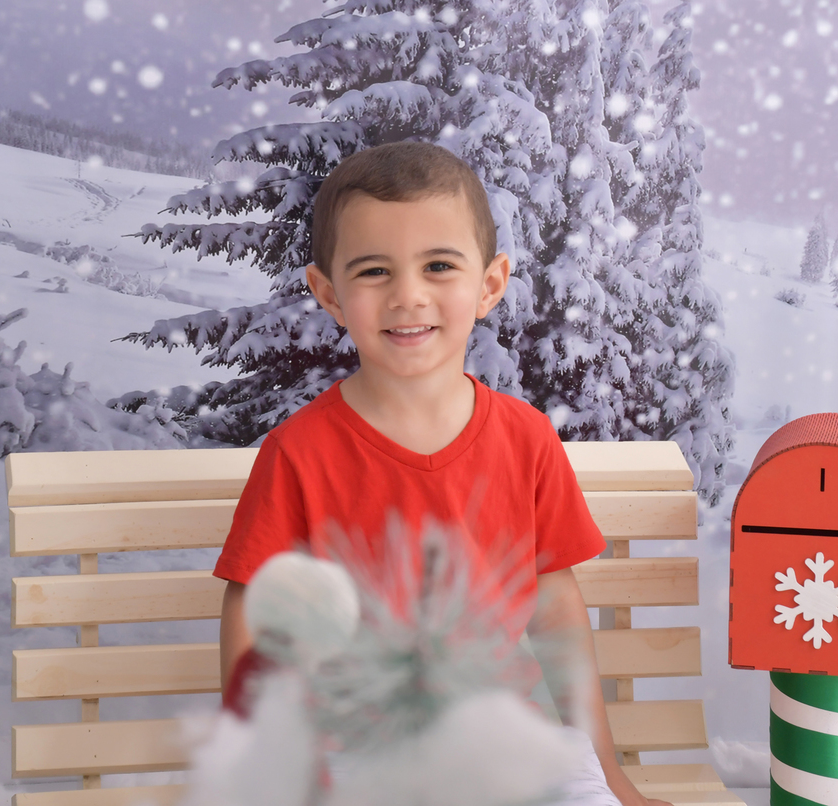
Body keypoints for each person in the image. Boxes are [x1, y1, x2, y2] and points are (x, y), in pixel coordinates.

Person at [214, 141, 671, 806]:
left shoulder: (527, 439)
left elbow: (556, 614)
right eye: (374, 271)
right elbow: (255, 611)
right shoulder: (298, 453)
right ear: (329, 293)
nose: (408, 296)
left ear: (489, 285)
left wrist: (611, 776)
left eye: (438, 266)